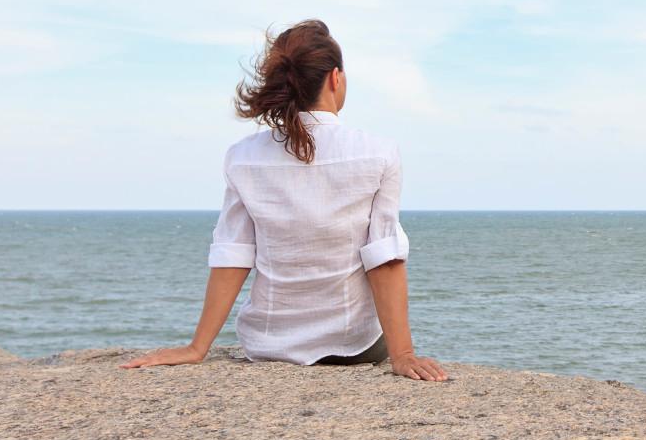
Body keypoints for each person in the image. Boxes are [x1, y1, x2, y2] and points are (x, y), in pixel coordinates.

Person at [119, 19, 448, 382]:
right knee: (373, 336)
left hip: (267, 346)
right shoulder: (378, 152)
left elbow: (234, 252)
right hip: (352, 347)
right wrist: (402, 355)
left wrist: (198, 348)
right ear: (335, 78)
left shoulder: (242, 156)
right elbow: (383, 258)